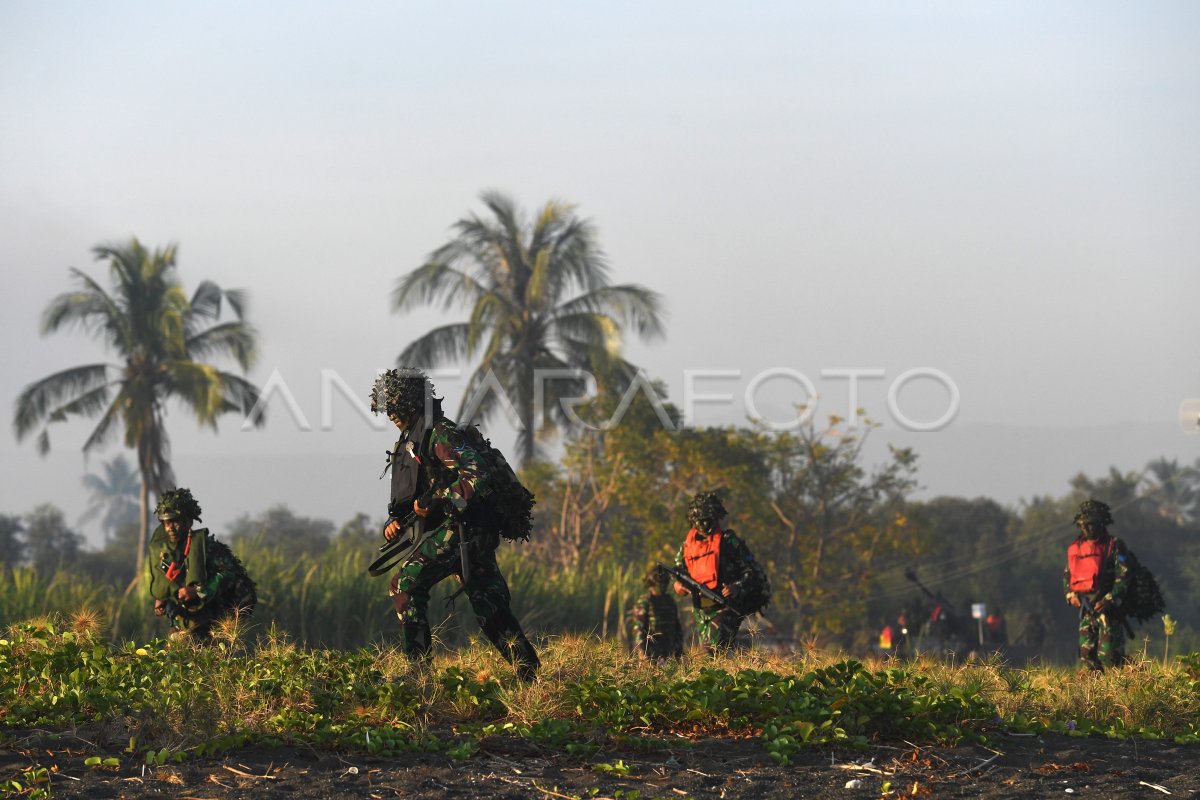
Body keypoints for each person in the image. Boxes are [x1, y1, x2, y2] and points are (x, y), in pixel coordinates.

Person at [371, 368, 540, 681]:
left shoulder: (441, 434)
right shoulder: (413, 440)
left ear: (410, 403)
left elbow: (477, 475)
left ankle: (418, 673)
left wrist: (435, 502)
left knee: (405, 584)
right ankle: (529, 674)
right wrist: (395, 522)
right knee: (490, 607)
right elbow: (417, 491)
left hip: (466, 530)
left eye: (394, 407)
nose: (391, 414)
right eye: (387, 408)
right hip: (461, 531)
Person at [145, 488, 257, 640]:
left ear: (188, 521)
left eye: (175, 521)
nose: (170, 528)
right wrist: (163, 599)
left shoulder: (207, 548)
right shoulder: (166, 553)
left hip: (213, 624)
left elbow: (229, 574)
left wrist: (198, 592)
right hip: (181, 625)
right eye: (166, 523)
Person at [672, 491, 769, 654]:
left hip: (726, 605)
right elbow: (679, 574)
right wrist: (679, 587)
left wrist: (737, 587)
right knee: (714, 652)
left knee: (712, 650)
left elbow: (751, 571)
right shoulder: (687, 547)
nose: (702, 526)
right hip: (702, 609)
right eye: (698, 521)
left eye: (705, 520)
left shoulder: (728, 541)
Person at [1064, 499, 1130, 671]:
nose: (1085, 529)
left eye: (1090, 524)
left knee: (1109, 656)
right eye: (1082, 525)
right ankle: (1095, 695)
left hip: (1108, 609)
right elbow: (1067, 576)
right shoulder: (1076, 548)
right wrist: (1070, 595)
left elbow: (1123, 576)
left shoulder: (1114, 546)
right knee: (1087, 656)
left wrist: (1110, 598)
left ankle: (1133, 677)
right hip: (1086, 609)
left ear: (1100, 523)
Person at [630, 565, 683, 662]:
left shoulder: (670, 601)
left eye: (664, 583)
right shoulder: (645, 601)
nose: (662, 586)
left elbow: (677, 628)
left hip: (669, 653)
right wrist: (643, 654)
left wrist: (678, 652)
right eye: (659, 583)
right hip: (651, 654)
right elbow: (639, 630)